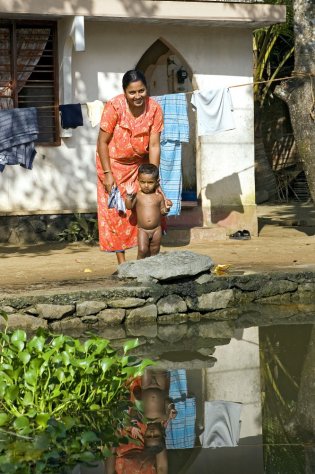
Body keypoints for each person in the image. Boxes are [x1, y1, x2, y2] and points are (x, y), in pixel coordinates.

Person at [96, 70, 164, 265]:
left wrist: (154, 175)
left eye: (141, 91)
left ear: (146, 89)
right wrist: (108, 175)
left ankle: (144, 261)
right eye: (132, 93)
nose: (138, 96)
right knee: (117, 213)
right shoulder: (114, 107)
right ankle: (123, 264)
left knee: (142, 206)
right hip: (112, 166)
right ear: (124, 92)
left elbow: (154, 145)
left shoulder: (155, 109)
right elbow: (102, 143)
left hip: (140, 167)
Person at [125, 164, 172, 259]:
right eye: (142, 182)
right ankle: (137, 269)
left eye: (150, 182)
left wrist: (167, 208)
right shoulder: (138, 196)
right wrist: (129, 196)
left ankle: (153, 270)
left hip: (156, 229)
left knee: (155, 250)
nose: (146, 185)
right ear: (138, 181)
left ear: (157, 182)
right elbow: (129, 206)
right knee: (142, 250)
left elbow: (163, 212)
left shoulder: (159, 196)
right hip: (143, 230)